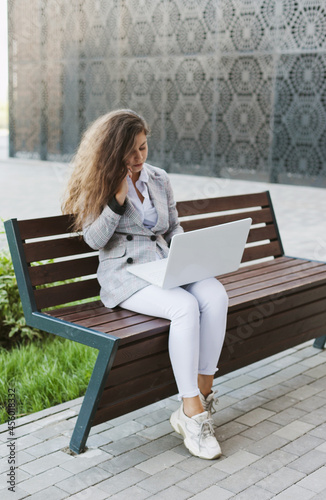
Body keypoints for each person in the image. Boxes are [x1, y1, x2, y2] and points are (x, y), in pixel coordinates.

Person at [62, 109, 229, 460]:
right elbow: (94, 240)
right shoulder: (100, 182)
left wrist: (186, 251)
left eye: (143, 148)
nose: (138, 158)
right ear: (113, 151)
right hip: (125, 275)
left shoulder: (159, 178)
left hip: (166, 267)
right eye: (131, 151)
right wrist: (118, 199)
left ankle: (202, 394)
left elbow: (172, 227)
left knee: (215, 295)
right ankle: (193, 414)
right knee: (184, 308)